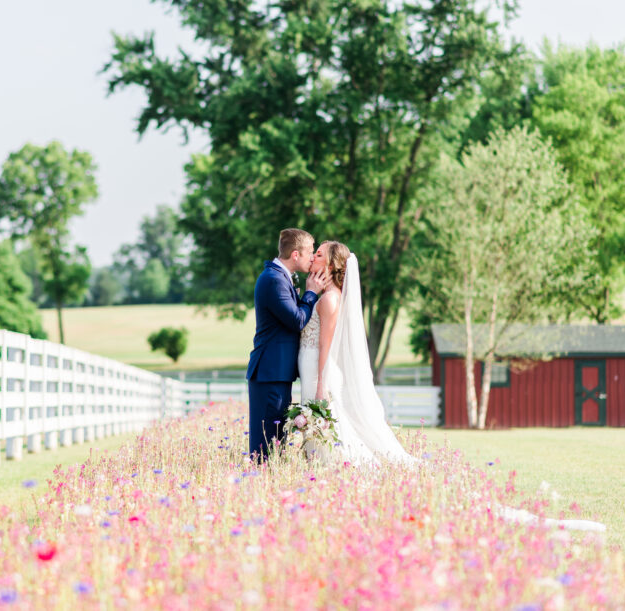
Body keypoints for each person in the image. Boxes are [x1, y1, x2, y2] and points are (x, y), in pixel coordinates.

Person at [298, 241, 605, 532]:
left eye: (320, 254)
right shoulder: (328, 295)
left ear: (334, 264)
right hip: (318, 375)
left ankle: (347, 483)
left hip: (321, 379)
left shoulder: (330, 299)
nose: (314, 258)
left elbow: (326, 348)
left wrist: (321, 387)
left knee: (335, 438)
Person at [247, 228, 328, 461]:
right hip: (269, 374)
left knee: (275, 442)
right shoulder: (273, 280)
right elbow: (297, 320)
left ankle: (269, 484)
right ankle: (261, 486)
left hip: (276, 373)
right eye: (310, 252)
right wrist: (311, 293)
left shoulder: (279, 277)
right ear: (295, 255)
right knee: (265, 446)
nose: (312, 257)